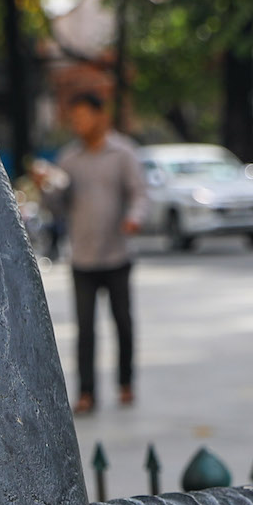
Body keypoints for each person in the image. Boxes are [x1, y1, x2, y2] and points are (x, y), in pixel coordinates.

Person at [34, 92, 146, 413]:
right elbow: (57, 207)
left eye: (83, 116)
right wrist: (46, 187)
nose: (78, 123)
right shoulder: (68, 159)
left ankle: (125, 383)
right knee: (85, 330)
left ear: (100, 116)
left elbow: (140, 193)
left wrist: (134, 218)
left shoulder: (123, 153)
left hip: (117, 255)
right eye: (74, 119)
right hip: (82, 257)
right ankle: (86, 393)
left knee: (122, 322)